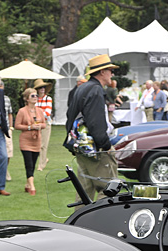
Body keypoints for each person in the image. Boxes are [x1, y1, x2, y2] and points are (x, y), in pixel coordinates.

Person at [65, 54, 119, 201]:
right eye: (110, 70)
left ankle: (78, 223)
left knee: (84, 192)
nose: (112, 74)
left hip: (82, 147)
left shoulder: (83, 88)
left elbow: (69, 115)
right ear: (102, 72)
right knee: (108, 189)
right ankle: (101, 223)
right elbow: (96, 123)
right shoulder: (95, 90)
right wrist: (106, 145)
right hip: (96, 148)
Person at [14, 87, 45, 195]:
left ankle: (27, 184)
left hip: (36, 140)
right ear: (27, 98)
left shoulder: (40, 111)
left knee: (34, 162)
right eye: (33, 96)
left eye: (36, 95)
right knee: (29, 163)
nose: (35, 97)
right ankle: (32, 186)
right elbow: (17, 125)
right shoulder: (22, 111)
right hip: (25, 141)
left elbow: (44, 124)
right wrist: (29, 127)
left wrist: (40, 126)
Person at [33, 79, 53, 171]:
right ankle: (44, 160)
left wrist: (38, 115)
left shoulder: (48, 99)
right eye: (40, 87)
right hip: (36, 124)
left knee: (43, 145)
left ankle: (41, 165)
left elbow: (47, 112)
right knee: (37, 144)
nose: (42, 89)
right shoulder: (35, 99)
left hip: (45, 123)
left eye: (44, 87)